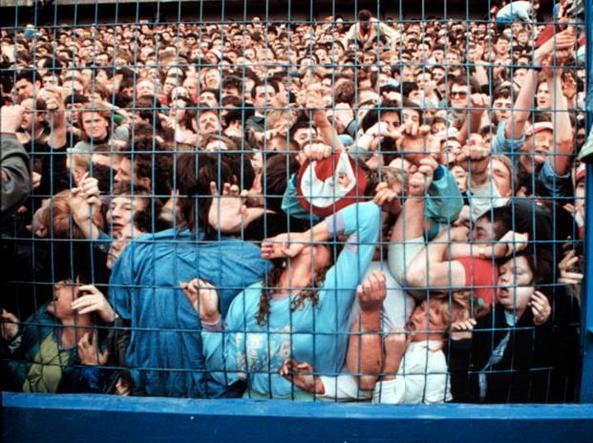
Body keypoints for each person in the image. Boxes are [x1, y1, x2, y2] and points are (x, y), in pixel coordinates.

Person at [183, 201, 381, 399]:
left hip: (311, 406)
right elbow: (224, 369)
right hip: (253, 406)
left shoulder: (333, 291)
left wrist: (306, 237)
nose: (309, 244)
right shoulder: (250, 297)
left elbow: (368, 215)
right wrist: (210, 319)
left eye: (322, 242)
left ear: (330, 260)